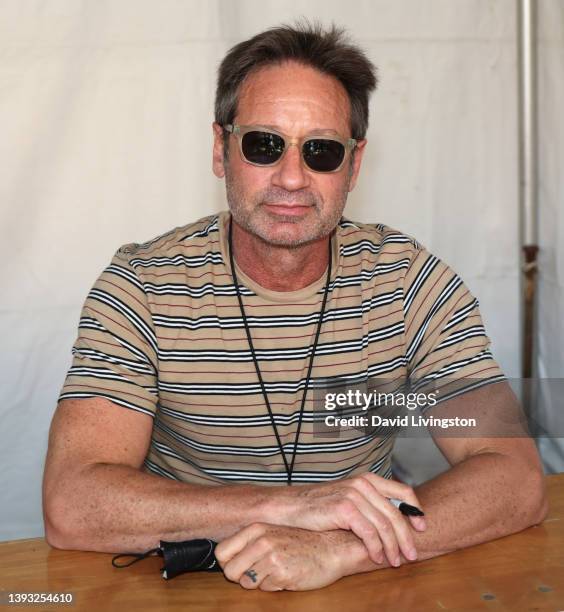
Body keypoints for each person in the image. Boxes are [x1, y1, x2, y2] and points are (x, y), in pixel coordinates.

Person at [43, 22, 547, 592]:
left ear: (354, 166)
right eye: (264, 144)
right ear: (220, 149)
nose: (290, 177)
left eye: (321, 151)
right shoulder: (141, 285)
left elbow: (517, 478)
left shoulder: (408, 282)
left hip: (359, 580)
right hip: (182, 585)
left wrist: (339, 549)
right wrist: (293, 507)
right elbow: (74, 502)